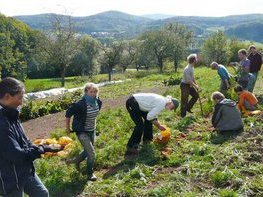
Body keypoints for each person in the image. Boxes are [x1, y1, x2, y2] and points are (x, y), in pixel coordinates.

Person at [0, 77, 61, 197]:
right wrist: (41, 149)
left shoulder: (11, 113)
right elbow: (16, 155)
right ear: (7, 96)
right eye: (20, 98)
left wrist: (42, 147)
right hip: (10, 176)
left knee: (42, 193)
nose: (22, 102)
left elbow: (23, 140)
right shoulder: (1, 123)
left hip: (25, 169)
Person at [65, 83, 102, 181]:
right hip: (82, 131)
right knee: (92, 153)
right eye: (91, 92)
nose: (93, 94)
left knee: (87, 151)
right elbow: (68, 114)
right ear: (86, 92)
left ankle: (74, 161)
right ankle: (90, 173)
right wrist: (67, 128)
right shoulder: (80, 104)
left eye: (95, 91)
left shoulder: (98, 101)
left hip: (92, 130)